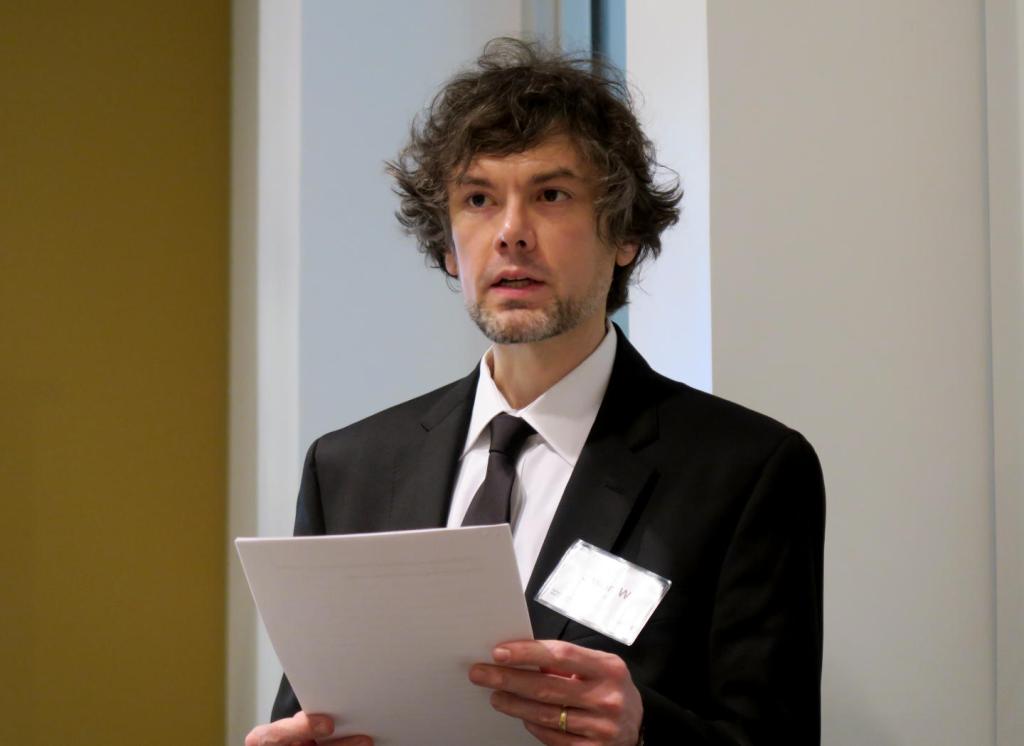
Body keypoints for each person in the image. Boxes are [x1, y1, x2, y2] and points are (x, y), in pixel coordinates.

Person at [245, 38, 825, 746]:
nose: (511, 234)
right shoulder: (349, 468)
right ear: (448, 245)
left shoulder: (746, 470)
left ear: (625, 234)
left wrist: (644, 734)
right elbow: (312, 715)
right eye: (479, 200)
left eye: (551, 196)